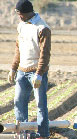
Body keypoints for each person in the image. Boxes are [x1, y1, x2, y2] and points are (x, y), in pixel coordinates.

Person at [7, 0, 51, 138]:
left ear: (28, 12)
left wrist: (39, 74)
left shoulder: (42, 28)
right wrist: (13, 68)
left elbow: (45, 53)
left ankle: (43, 134)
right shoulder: (21, 26)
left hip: (36, 72)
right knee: (19, 102)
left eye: (20, 14)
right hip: (22, 70)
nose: (19, 17)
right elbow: (18, 49)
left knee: (40, 105)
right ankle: (23, 133)